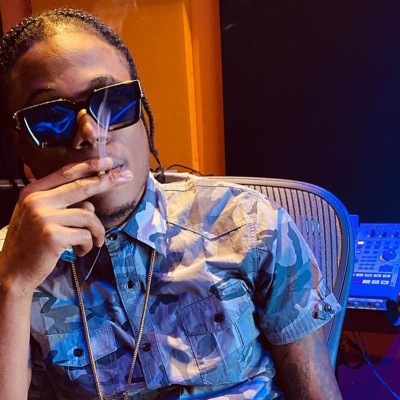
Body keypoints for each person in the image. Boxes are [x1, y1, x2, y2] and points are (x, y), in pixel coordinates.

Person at [0, 8, 343, 400]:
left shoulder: (248, 223)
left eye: (113, 101)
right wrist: (14, 285)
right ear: (21, 149)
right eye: (50, 117)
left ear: (143, 118)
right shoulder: (9, 265)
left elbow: (315, 390)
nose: (91, 132)